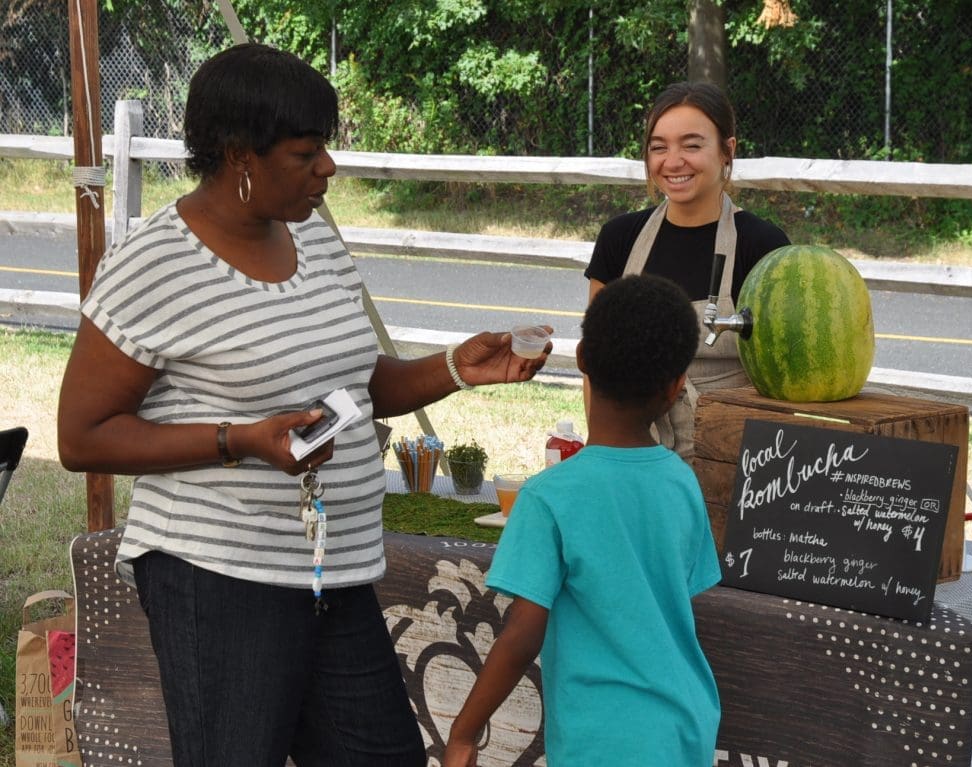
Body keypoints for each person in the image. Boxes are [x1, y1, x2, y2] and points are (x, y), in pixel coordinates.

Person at [56, 43, 551, 767]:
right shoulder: (154, 264)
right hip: (219, 577)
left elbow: (354, 384)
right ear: (239, 157)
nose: (328, 168)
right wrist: (240, 439)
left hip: (333, 573)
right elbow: (83, 436)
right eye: (306, 152)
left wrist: (452, 368)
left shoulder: (313, 234)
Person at [443, 274, 721, 767]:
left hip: (602, 740)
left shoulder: (549, 497)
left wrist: (464, 734)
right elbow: (679, 595)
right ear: (677, 385)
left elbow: (522, 633)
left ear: (584, 359)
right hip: (685, 727)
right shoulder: (681, 481)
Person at [584, 81, 790, 460]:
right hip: (636, 459)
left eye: (692, 145)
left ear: (728, 150)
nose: (673, 161)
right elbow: (596, 366)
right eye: (659, 147)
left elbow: (784, 377)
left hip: (738, 462)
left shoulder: (763, 246)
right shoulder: (620, 239)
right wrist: (601, 458)